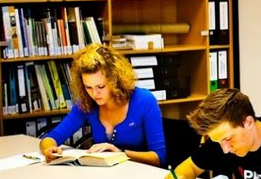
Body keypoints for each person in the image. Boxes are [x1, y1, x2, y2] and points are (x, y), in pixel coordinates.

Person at [39, 44, 167, 167]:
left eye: (100, 86)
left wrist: (120, 153)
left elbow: (159, 158)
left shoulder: (144, 101)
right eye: (88, 87)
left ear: (115, 81)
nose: (94, 94)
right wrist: (49, 149)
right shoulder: (87, 103)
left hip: (138, 177)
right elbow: (51, 138)